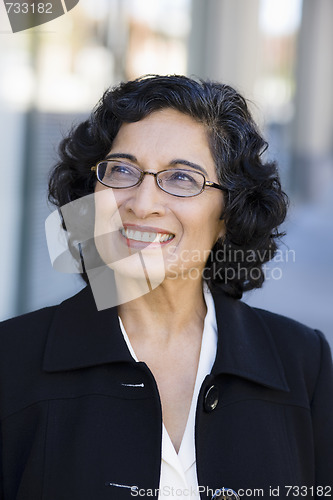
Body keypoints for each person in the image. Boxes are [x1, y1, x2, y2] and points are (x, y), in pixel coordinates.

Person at [0, 75, 332, 500]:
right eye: (121, 170)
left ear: (229, 212)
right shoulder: (11, 360)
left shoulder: (304, 364)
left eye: (181, 178)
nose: (142, 203)